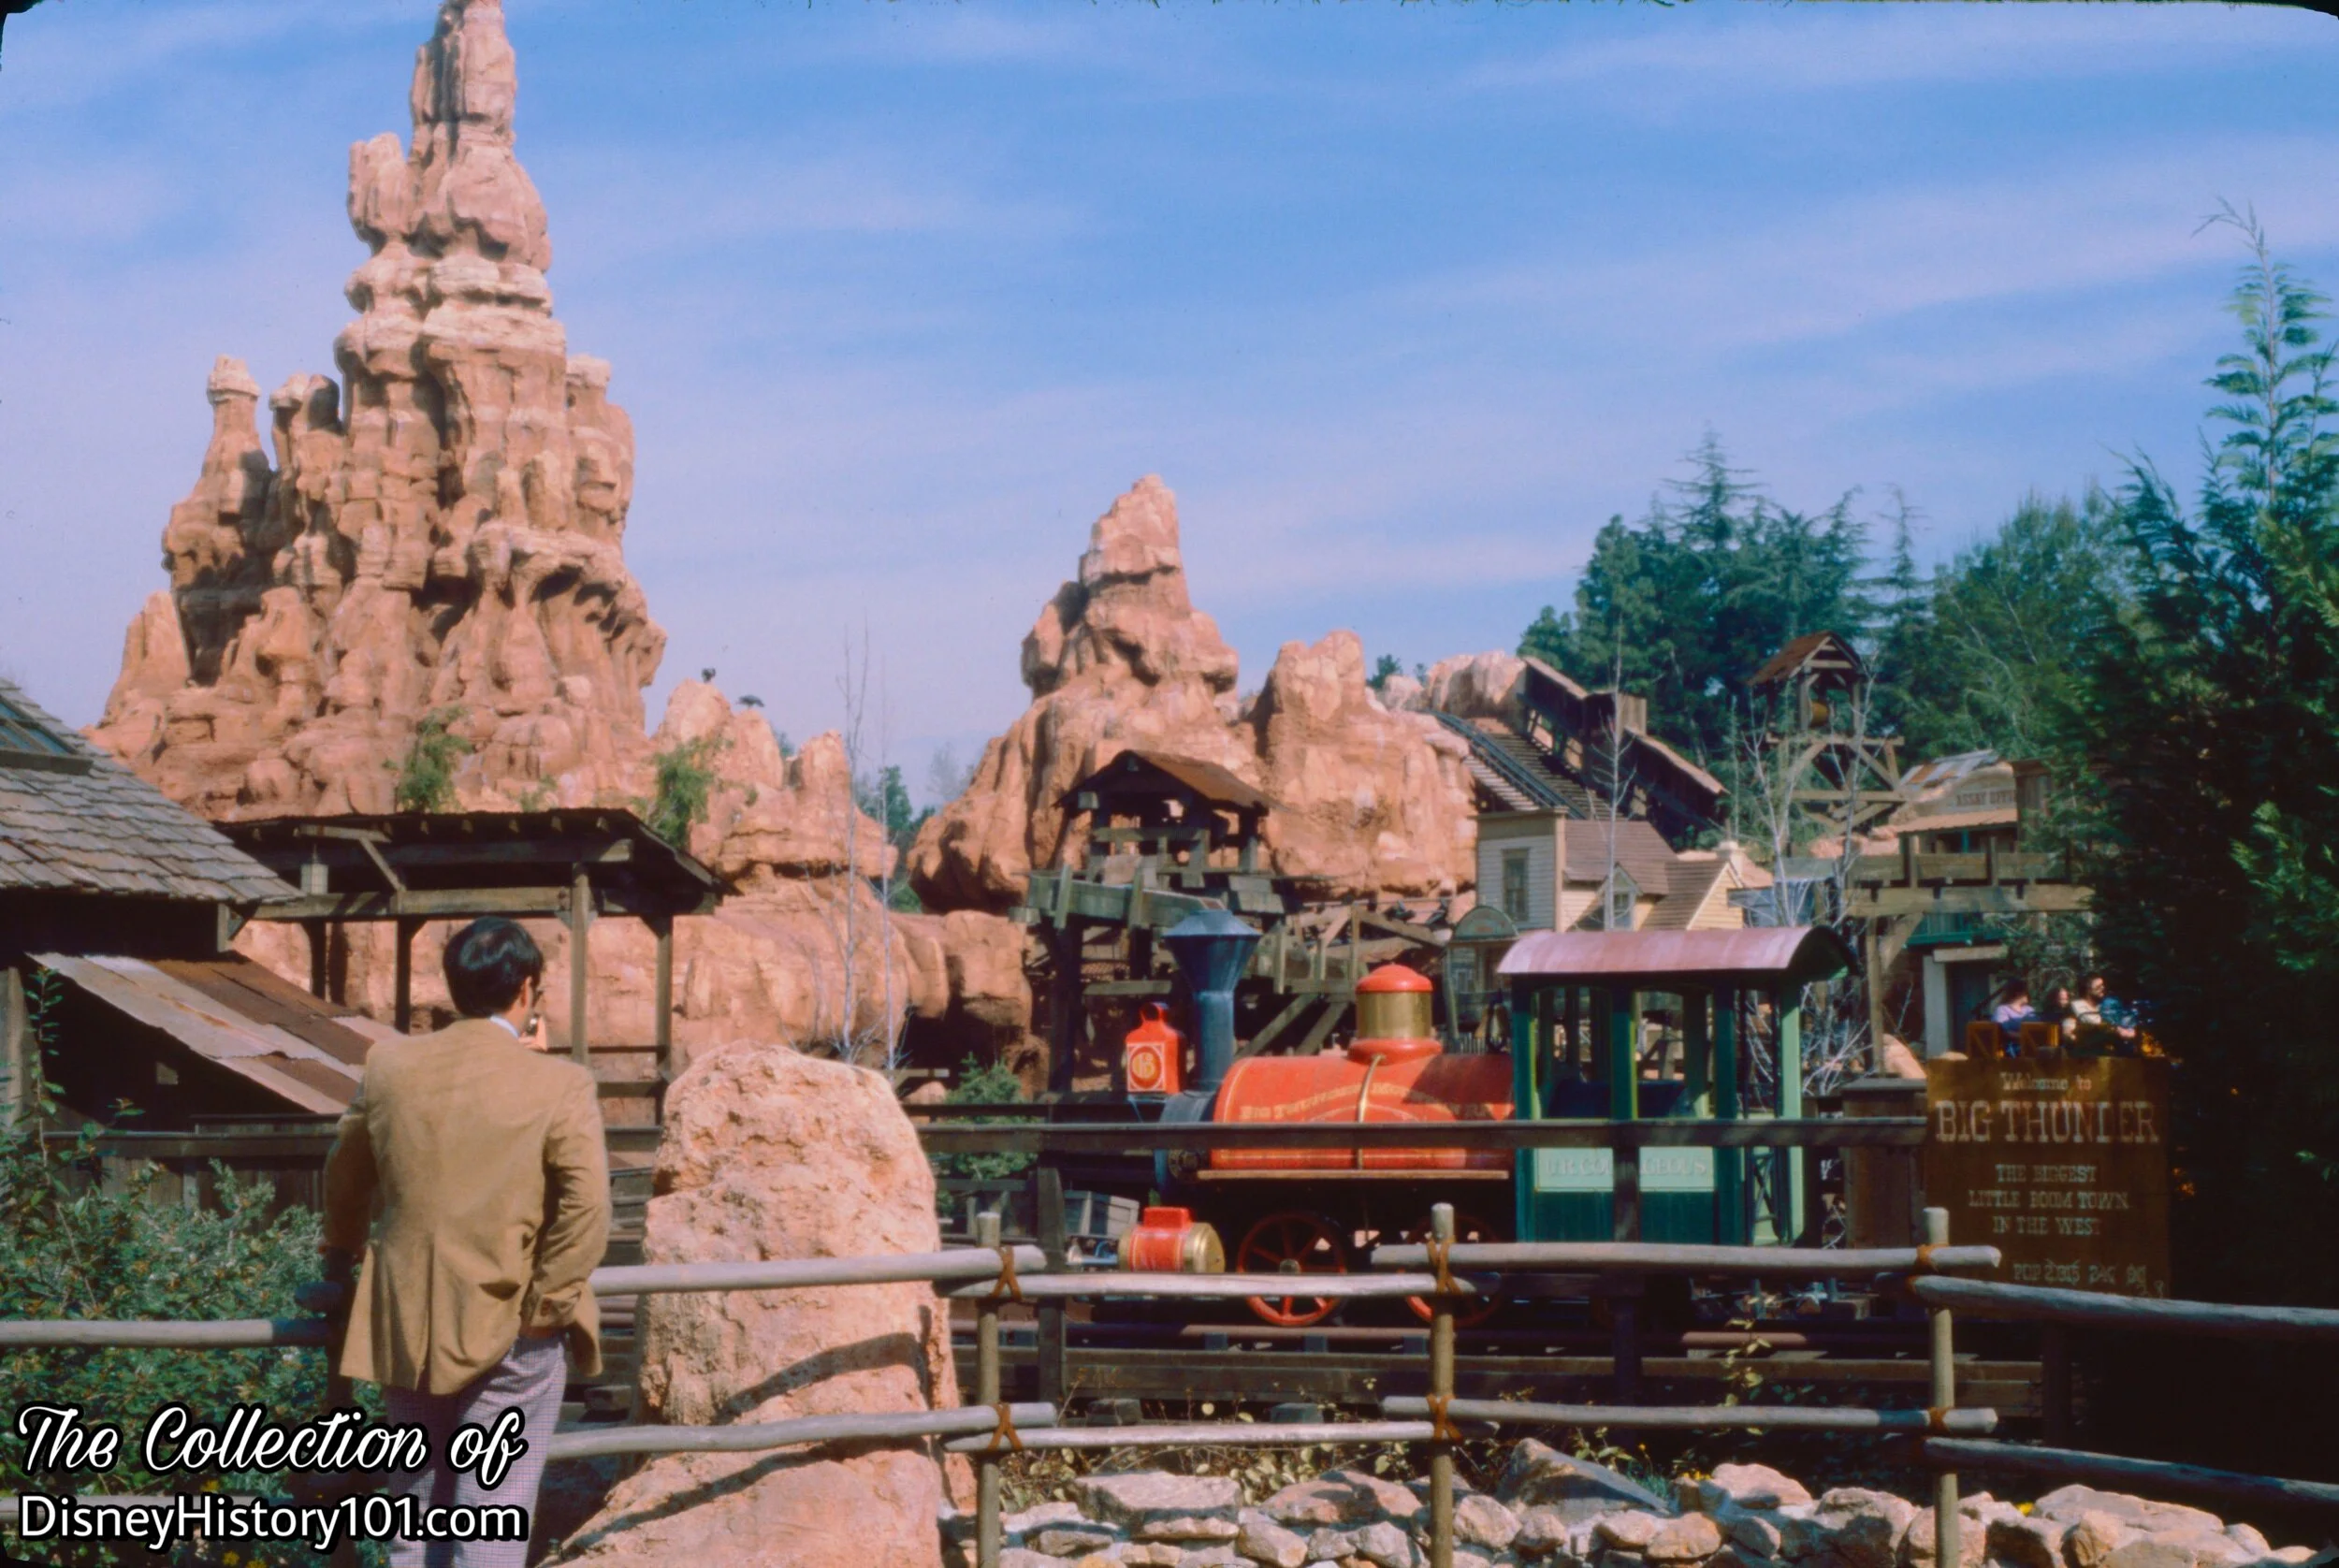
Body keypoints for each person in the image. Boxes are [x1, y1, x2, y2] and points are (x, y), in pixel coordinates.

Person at [323, 918, 611, 1568]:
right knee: (492, 1520)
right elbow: (588, 1206)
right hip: (514, 1323)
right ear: (527, 988)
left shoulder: (390, 1065)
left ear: (454, 987)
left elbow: (345, 1176)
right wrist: (548, 1307)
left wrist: (340, 1252)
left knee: (415, 1512)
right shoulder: (559, 1084)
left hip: (409, 1320)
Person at [1990, 980, 2036, 1056]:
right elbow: (2004, 1031)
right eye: (2026, 993)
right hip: (2011, 1045)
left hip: (2031, 1044)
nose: (2028, 995)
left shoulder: (2029, 1009)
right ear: (2018, 993)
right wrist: (2025, 1038)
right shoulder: (2002, 1009)